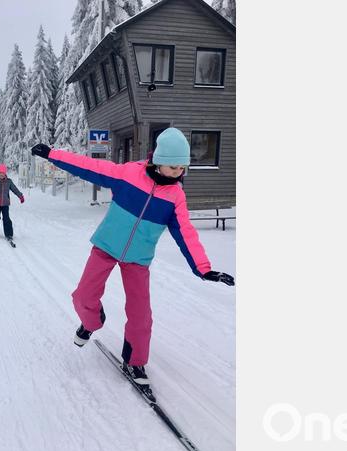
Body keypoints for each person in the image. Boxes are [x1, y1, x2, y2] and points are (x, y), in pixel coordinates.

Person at [30, 128, 234, 387]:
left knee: (141, 314)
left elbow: (186, 232)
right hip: (106, 246)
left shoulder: (175, 197)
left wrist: (203, 268)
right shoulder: (128, 175)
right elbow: (89, 166)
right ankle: (92, 322)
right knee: (83, 296)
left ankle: (135, 360)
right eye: (172, 167)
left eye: (182, 167)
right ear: (158, 160)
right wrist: (52, 154)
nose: (178, 173)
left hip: (138, 258)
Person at [0, 164, 24, 239]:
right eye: (0, 173)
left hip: (5, 204)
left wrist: (20, 196)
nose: (1, 174)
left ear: (5, 173)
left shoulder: (9, 181)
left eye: (3, 173)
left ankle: (9, 234)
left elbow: (15, 189)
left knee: (6, 218)